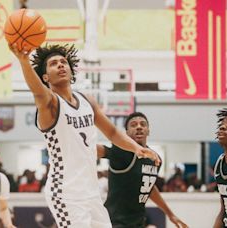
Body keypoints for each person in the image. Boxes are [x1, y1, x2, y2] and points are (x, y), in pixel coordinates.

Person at [8, 43, 160, 227]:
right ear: (45, 77)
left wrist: (137, 148)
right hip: (65, 191)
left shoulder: (87, 101)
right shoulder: (50, 104)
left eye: (64, 62)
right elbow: (38, 92)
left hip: (91, 192)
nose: (61, 65)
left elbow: (112, 132)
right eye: (54, 63)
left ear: (71, 70)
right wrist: (24, 62)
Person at [97, 112, 188, 228]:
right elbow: (102, 150)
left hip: (138, 221)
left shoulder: (154, 158)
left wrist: (170, 214)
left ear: (148, 131)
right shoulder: (122, 151)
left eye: (143, 124)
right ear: (127, 132)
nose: (139, 127)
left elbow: (149, 186)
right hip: (114, 222)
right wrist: (82, 146)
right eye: (133, 125)